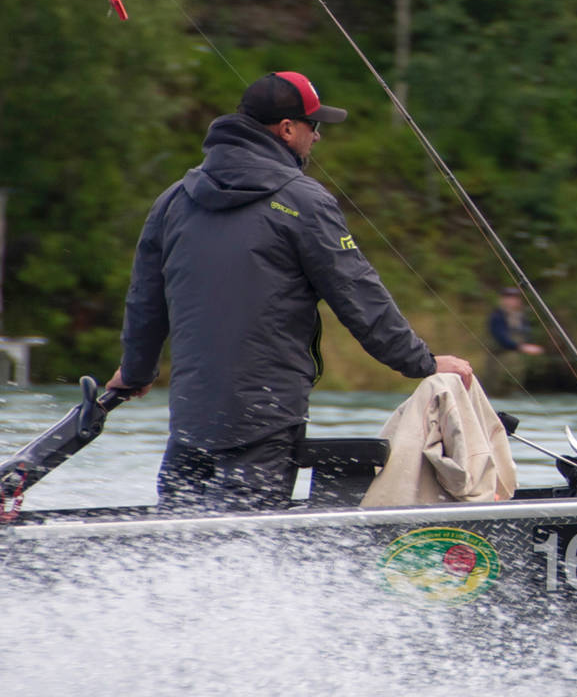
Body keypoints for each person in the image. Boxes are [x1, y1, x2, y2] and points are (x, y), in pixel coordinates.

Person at [109, 71, 473, 512]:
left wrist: (135, 371)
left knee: (183, 536)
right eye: (312, 126)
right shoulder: (304, 199)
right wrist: (424, 362)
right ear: (286, 129)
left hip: (189, 422)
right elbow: (358, 294)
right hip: (264, 420)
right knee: (244, 546)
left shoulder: (172, 200)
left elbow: (145, 302)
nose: (317, 137)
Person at [489, 286, 544, 355]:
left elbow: (528, 334)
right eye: (509, 297)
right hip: (501, 356)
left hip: (519, 358)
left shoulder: (522, 316)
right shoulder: (497, 316)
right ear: (502, 299)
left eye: (515, 298)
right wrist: (521, 347)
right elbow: (500, 337)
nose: (512, 300)